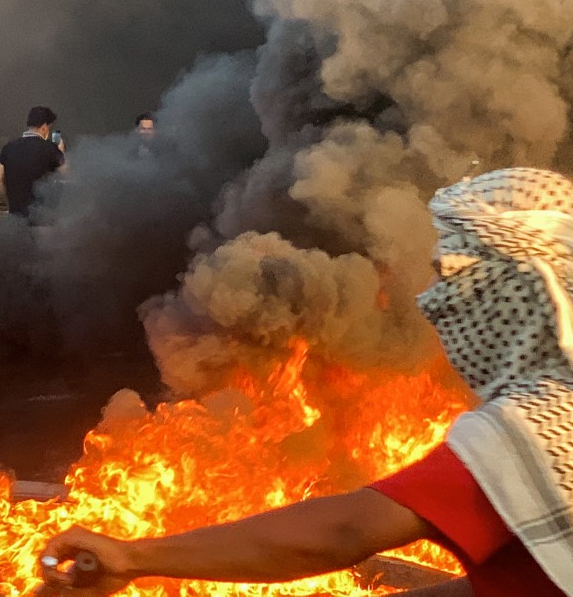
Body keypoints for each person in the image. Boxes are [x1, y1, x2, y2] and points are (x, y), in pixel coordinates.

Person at [40, 167, 573, 596]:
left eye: (449, 275)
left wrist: (133, 556)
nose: (430, 298)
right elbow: (516, 574)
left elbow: (342, 533)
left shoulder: (534, 429)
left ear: (511, 292)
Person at [0, 106, 66, 217]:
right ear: (44, 127)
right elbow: (66, 174)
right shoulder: (51, 149)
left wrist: (10, 204)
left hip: (15, 218)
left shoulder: (8, 147)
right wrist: (60, 152)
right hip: (41, 218)